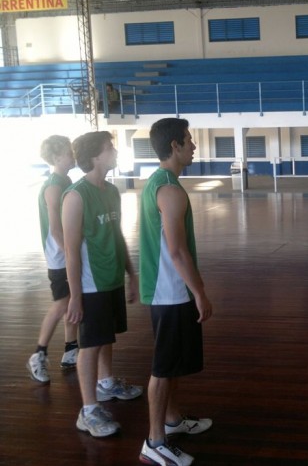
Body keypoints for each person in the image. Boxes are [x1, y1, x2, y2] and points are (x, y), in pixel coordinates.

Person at [139, 118, 213, 466]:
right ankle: (154, 442)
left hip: (170, 291)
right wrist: (200, 292)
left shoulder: (160, 183)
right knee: (163, 368)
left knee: (172, 364)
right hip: (169, 292)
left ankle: (172, 420)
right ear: (175, 146)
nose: (193, 146)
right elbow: (177, 251)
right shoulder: (169, 190)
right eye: (189, 139)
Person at [62, 131, 142, 438]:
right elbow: (71, 251)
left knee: (106, 336)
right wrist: (75, 296)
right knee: (91, 344)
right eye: (110, 148)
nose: (115, 152)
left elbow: (117, 235)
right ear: (96, 156)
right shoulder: (75, 196)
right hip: (90, 283)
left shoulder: (112, 191)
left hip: (112, 278)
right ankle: (88, 410)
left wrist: (131, 274)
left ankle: (106, 383)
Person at [27, 135, 79, 384]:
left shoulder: (65, 181)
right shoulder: (53, 187)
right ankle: (38, 354)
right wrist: (71, 255)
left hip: (66, 256)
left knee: (72, 304)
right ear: (57, 157)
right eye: (69, 153)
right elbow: (57, 229)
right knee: (61, 304)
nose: (73, 156)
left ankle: (70, 350)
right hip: (59, 259)